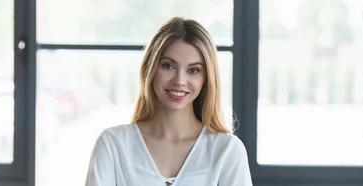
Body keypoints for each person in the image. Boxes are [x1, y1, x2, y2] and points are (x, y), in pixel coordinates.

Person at [85, 17, 252, 186]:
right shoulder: (113, 145)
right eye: (168, 66)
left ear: (206, 78)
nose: (179, 80)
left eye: (193, 70)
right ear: (150, 69)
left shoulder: (227, 150)